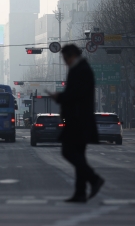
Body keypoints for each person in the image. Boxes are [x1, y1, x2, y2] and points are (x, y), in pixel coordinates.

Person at [47, 44, 104, 203]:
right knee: (79, 155)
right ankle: (80, 193)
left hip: (79, 120)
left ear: (71, 55)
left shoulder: (81, 70)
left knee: (68, 151)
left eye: (65, 58)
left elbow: (76, 95)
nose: (64, 62)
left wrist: (60, 97)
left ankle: (94, 179)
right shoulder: (79, 69)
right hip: (79, 119)